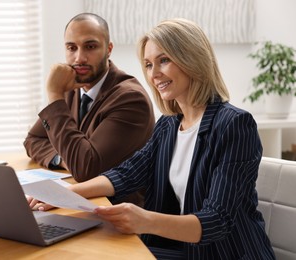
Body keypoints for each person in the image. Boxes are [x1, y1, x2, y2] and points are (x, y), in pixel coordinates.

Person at [28, 18, 275, 259]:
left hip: (223, 252)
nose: (154, 74)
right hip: (182, 249)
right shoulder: (169, 124)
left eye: (164, 60)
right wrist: (61, 194)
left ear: (193, 59)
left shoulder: (234, 124)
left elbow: (217, 220)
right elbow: (127, 173)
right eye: (148, 64)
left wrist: (144, 220)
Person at [24, 13, 155, 206]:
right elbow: (33, 140)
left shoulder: (131, 99)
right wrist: (63, 158)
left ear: (109, 49)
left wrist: (54, 94)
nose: (79, 58)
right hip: (79, 201)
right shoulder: (73, 87)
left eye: (90, 47)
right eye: (71, 48)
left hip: (118, 215)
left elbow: (86, 170)